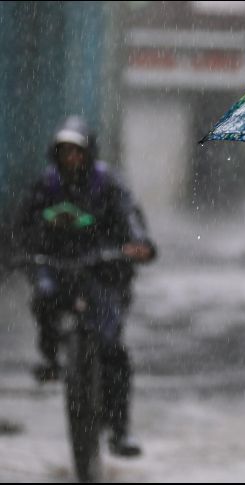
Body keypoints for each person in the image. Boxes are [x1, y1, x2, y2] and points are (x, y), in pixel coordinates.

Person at [12, 116, 156, 457]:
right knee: (44, 297)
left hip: (103, 272)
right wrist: (19, 251)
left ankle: (119, 431)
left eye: (76, 153)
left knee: (112, 349)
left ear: (88, 154)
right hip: (57, 267)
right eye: (64, 153)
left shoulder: (108, 184)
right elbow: (22, 224)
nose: (71, 160)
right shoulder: (46, 185)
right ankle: (50, 356)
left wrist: (138, 244)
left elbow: (131, 219)